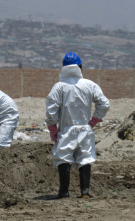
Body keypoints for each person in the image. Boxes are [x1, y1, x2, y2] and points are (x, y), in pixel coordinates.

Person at [45, 52, 110, 199]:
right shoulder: (89, 85)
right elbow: (104, 104)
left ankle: (63, 192)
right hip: (85, 129)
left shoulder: (59, 87)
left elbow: (51, 109)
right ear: (80, 67)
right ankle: (85, 192)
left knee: (63, 157)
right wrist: (94, 120)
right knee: (85, 157)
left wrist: (52, 127)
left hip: (66, 129)